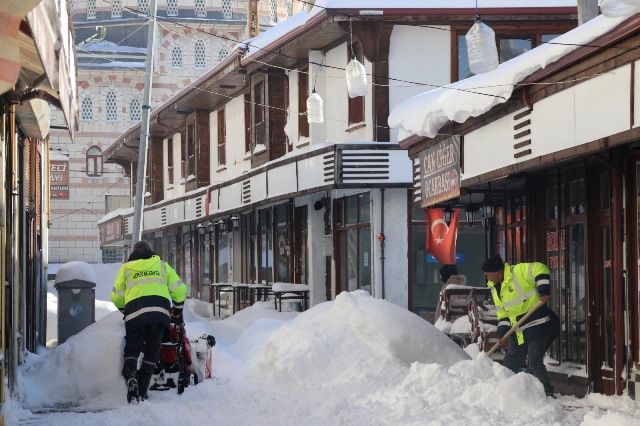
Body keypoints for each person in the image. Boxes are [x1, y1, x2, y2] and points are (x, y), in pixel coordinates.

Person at [111, 240, 187, 402]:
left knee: (132, 350)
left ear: (134, 253)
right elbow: (180, 289)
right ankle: (142, 390)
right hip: (159, 314)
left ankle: (131, 378)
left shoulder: (126, 268)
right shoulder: (161, 265)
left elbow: (116, 297)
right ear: (150, 252)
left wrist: (127, 311)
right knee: (152, 351)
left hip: (134, 315)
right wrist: (177, 312)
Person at [482, 255, 559, 397]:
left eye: (488, 276)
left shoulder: (517, 271)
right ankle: (505, 392)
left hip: (537, 324)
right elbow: (502, 314)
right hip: (518, 330)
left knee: (534, 359)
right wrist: (502, 333)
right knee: (511, 361)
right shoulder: (495, 289)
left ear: (496, 272)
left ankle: (547, 392)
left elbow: (540, 267)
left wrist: (543, 290)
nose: (488, 279)